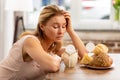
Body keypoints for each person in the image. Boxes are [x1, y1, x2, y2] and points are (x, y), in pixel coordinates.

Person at [0, 4, 87, 80]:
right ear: (42, 26)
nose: (61, 31)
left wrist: (71, 31)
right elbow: (52, 66)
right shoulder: (30, 41)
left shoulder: (52, 49)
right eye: (56, 27)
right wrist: (58, 58)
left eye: (64, 26)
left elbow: (84, 57)